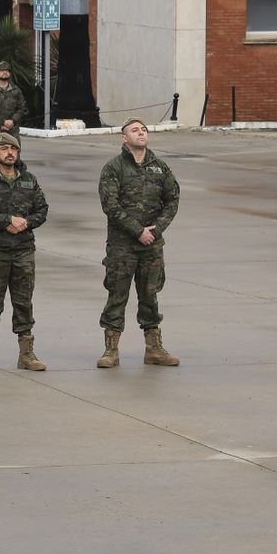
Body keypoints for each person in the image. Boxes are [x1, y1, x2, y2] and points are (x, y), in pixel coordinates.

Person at [96, 119, 181, 368]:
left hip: (151, 246)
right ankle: (111, 350)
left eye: (143, 130)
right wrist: (137, 231)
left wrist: (156, 229)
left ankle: (154, 349)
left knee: (150, 296)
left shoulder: (160, 167)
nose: (141, 133)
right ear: (124, 138)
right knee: (117, 296)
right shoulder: (114, 168)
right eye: (135, 130)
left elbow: (172, 200)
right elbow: (110, 205)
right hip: (122, 246)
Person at [0, 133, 49, 371]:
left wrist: (25, 223)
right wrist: (7, 220)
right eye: (4, 148)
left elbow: (42, 210)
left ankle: (26, 354)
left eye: (13, 149)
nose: (10, 153)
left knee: (23, 301)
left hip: (23, 249)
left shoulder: (28, 179)